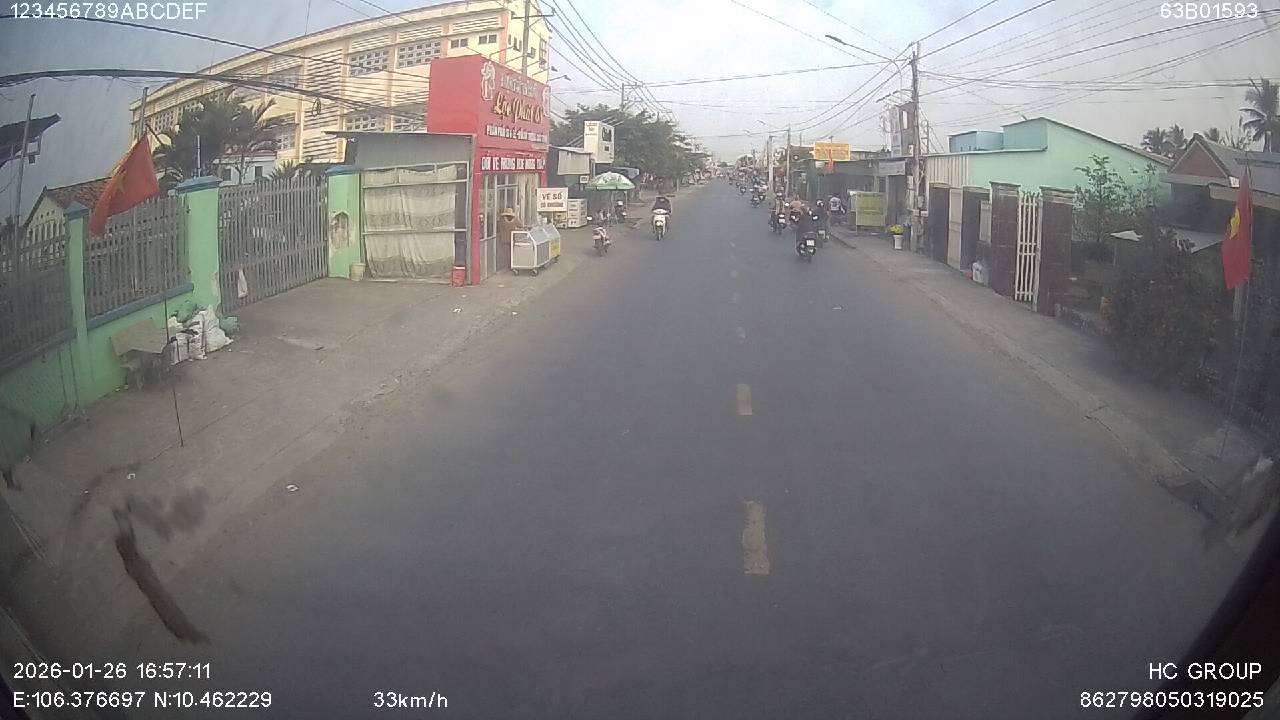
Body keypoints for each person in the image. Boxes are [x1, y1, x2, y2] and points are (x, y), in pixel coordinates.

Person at [497, 207, 523, 272]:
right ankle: (513, 265)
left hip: (504, 239)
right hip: (512, 239)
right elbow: (521, 225)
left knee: (507, 254)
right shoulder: (515, 219)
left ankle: (508, 266)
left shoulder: (502, 220)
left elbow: (498, 228)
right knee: (512, 253)